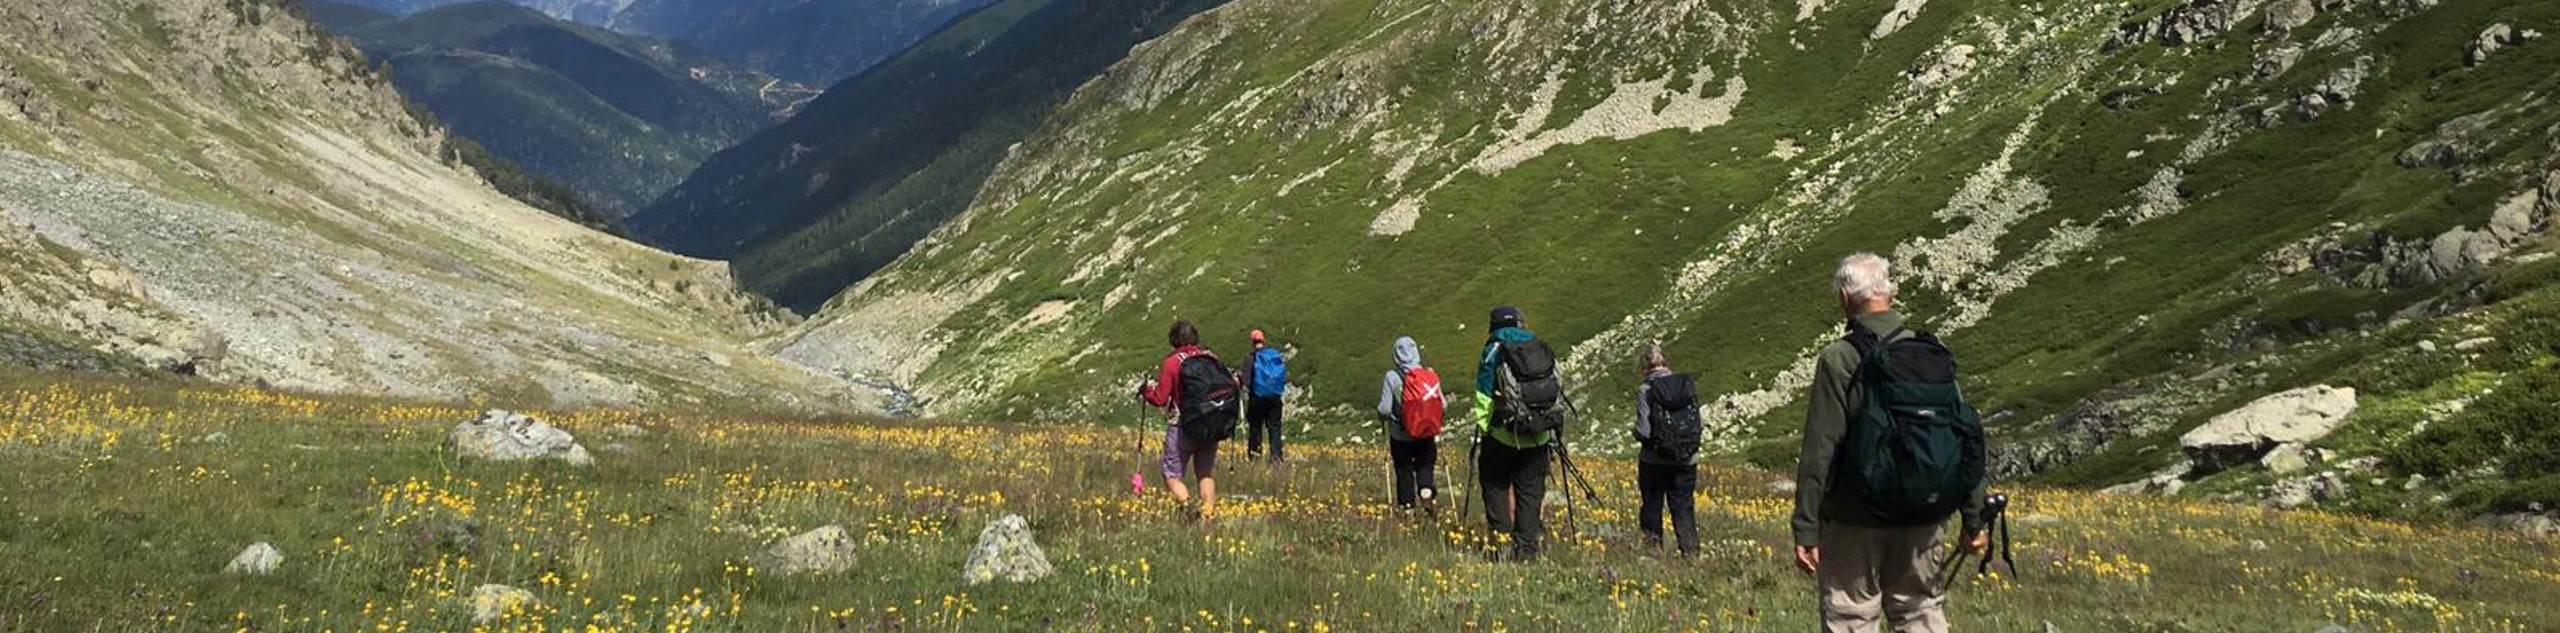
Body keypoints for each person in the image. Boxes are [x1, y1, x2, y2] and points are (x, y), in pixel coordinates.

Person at [1791, 253, 1990, 633]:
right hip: (1924, 513)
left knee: (1852, 614)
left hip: (1856, 518)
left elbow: (1821, 448)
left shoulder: (1840, 358)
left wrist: (1806, 527)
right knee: (1920, 611)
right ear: (1891, 294)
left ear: (1845, 299)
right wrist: (1974, 515)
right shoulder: (1930, 355)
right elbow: (1963, 436)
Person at [1473, 305, 1562, 562]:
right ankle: (1527, 552)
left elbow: (1484, 395)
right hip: (1539, 434)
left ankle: (1501, 545)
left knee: (1495, 484)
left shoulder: (1493, 350)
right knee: (1531, 491)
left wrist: (1485, 427)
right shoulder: (1539, 347)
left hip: (1503, 435)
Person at [1140, 320, 1230, 520]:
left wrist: (1146, 391)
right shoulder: (1211, 357)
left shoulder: (1172, 363)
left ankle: (1187, 507)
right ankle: (1207, 516)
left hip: (1182, 426)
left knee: (1172, 475)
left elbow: (1160, 399)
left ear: (1174, 340)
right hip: (1210, 424)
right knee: (1205, 474)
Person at [1631, 344, 1701, 557]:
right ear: (1666, 362)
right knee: (1683, 506)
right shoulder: (1684, 385)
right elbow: (1700, 422)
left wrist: (1634, 432)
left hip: (1654, 460)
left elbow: (1644, 430)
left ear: (1644, 367)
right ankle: (1690, 552)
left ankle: (1654, 551)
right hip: (1686, 459)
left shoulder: (1646, 390)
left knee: (1652, 505)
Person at [1376, 336, 1443, 509]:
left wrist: (1383, 418)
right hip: (1425, 432)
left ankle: (1408, 509)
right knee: (1425, 465)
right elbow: (1443, 405)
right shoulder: (1429, 373)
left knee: (1404, 471)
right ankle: (1426, 491)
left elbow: (1384, 409)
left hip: (1400, 435)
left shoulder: (1392, 377)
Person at [1239, 329, 1288, 463]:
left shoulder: (1250, 358)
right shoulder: (1273, 356)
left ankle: (1255, 457)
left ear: (1252, 342)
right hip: (1275, 398)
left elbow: (1246, 382)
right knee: (1275, 428)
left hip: (1257, 399)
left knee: (1255, 427)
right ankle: (1276, 457)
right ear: (1263, 340)